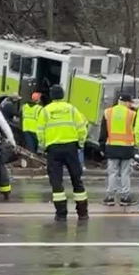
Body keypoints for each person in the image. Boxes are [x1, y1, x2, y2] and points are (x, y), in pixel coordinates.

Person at [37, 85, 89, 221]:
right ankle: (82, 212)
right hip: (71, 147)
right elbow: (81, 128)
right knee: (77, 180)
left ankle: (61, 214)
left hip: (53, 149)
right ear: (63, 95)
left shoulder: (45, 111)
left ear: (51, 96)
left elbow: (40, 132)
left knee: (56, 181)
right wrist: (80, 143)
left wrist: (43, 147)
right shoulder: (71, 109)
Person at [99, 92, 136, 206]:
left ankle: (110, 197)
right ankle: (125, 198)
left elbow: (103, 131)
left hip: (112, 147)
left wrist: (101, 146)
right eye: (130, 102)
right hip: (127, 147)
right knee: (125, 173)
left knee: (112, 173)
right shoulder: (132, 114)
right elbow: (136, 130)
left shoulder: (108, 112)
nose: (131, 104)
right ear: (125, 102)